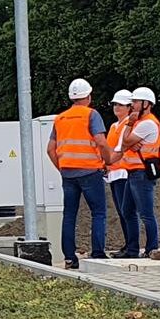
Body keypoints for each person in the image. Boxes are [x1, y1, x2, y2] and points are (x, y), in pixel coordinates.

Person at [46, 78, 116, 270]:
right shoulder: (91, 115)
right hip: (90, 171)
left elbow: (50, 149)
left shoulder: (60, 118)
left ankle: (69, 257)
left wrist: (62, 167)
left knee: (69, 214)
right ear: (88, 96)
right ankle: (98, 254)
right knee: (98, 213)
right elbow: (101, 142)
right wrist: (108, 160)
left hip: (68, 173)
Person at [118, 86, 160, 258]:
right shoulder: (141, 123)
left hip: (141, 173)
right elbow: (125, 142)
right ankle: (133, 250)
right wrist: (129, 141)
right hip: (133, 172)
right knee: (128, 211)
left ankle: (151, 248)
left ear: (146, 104)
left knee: (145, 213)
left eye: (136, 102)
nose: (132, 105)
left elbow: (124, 142)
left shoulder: (146, 123)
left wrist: (130, 126)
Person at [105, 90, 143, 258]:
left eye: (120, 104)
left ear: (129, 107)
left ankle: (132, 247)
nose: (116, 107)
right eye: (115, 104)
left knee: (127, 212)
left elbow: (123, 147)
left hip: (124, 172)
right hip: (114, 172)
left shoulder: (130, 124)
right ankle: (128, 244)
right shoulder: (114, 126)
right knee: (122, 212)